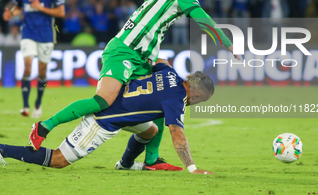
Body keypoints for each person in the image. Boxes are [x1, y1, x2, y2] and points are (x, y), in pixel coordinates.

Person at [28, 0, 240, 169]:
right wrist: (227, 43)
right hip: (125, 51)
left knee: (163, 97)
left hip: (141, 56)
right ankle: (44, 126)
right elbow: (201, 18)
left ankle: (151, 159)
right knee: (103, 100)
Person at [1, 62, 214, 175]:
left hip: (113, 98)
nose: (197, 102)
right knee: (59, 160)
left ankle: (125, 164)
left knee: (150, 130)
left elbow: (159, 61)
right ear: (195, 94)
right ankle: (3, 150)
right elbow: (177, 134)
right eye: (200, 100)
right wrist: (192, 167)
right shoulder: (177, 100)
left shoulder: (169, 73)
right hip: (103, 121)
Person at [2, 0, 65, 118]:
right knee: (28, 66)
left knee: (42, 72)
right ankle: (25, 105)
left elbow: (61, 12)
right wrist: (10, 13)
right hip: (28, 33)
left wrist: (41, 7)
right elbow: (19, 9)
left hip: (46, 35)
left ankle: (38, 102)